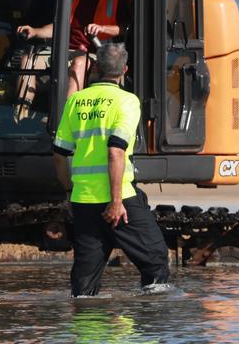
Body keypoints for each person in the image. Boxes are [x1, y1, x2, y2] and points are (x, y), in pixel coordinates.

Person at [51, 43, 169, 297]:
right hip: (119, 199)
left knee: (85, 280)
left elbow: (60, 153)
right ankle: (151, 323)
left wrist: (69, 189)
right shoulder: (126, 101)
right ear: (124, 70)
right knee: (156, 260)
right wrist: (116, 201)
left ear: (94, 67)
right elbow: (115, 151)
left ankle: (87, 328)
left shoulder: (76, 101)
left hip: (83, 200)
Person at [17, 0, 128, 94]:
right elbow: (58, 27)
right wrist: (34, 31)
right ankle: (20, 112)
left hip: (99, 53)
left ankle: (66, 114)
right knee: (28, 61)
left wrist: (102, 28)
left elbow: (126, 28)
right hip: (66, 51)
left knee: (79, 63)